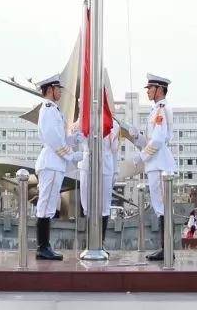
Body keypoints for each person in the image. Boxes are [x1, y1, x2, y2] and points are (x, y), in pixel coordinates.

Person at [34, 74, 83, 260]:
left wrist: (73, 138)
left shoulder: (54, 110)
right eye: (58, 89)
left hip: (55, 163)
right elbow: (52, 138)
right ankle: (42, 247)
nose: (60, 92)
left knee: (49, 203)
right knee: (46, 204)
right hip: (51, 162)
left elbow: (60, 137)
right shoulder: (47, 109)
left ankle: (45, 246)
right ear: (50, 90)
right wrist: (71, 155)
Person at [127, 74, 176, 261]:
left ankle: (167, 249)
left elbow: (158, 139)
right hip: (155, 164)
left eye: (150, 88)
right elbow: (149, 140)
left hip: (160, 164)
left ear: (160, 89)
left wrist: (141, 157)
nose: (147, 91)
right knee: (159, 207)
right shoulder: (155, 110)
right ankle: (166, 248)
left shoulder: (161, 109)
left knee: (162, 207)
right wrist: (136, 136)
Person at [72, 115, 120, 248]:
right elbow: (74, 137)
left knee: (104, 207)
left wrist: (116, 170)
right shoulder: (83, 119)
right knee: (87, 205)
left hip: (105, 166)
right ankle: (90, 242)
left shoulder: (113, 123)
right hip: (87, 164)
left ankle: (101, 242)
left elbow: (115, 150)